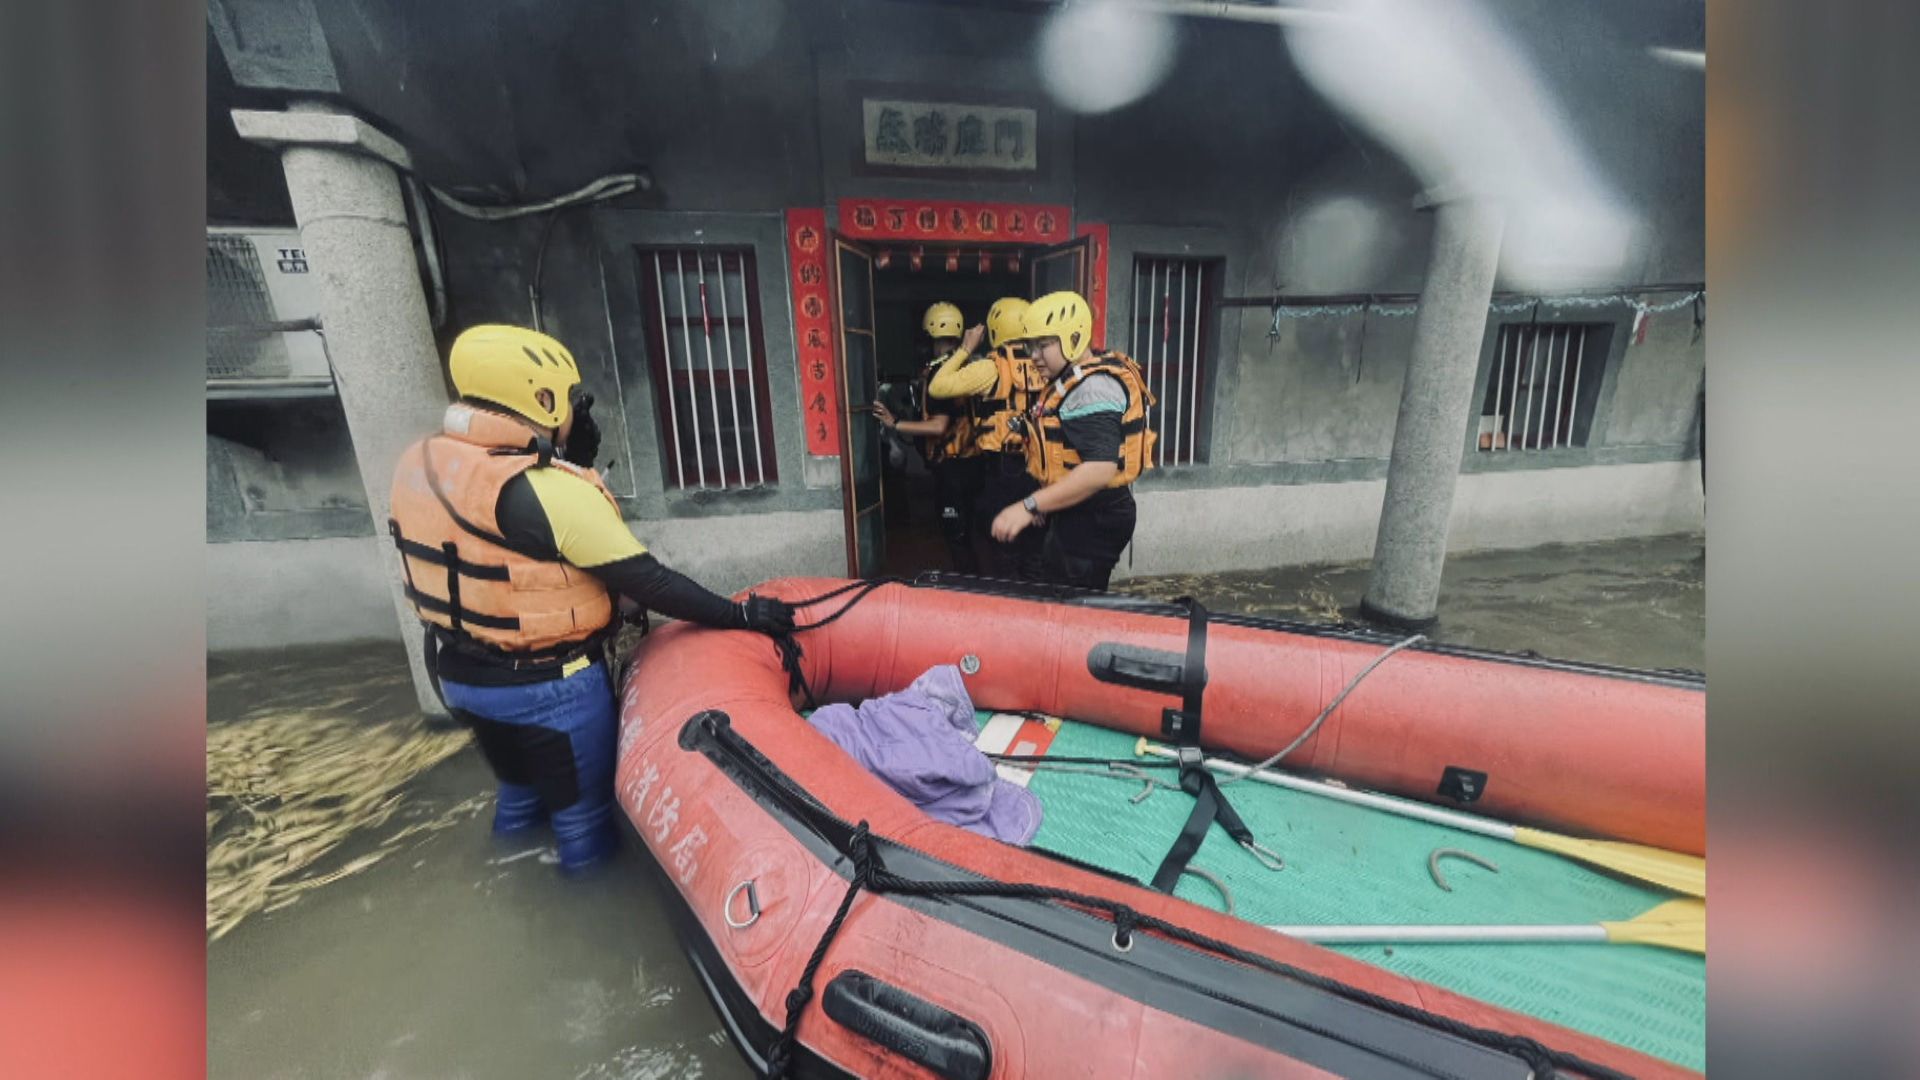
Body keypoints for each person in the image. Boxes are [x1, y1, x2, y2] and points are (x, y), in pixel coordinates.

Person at [387, 324, 795, 873]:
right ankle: (586, 930)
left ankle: (507, 883)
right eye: (572, 400)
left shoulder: (422, 462)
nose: (579, 411)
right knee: (583, 822)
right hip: (545, 691)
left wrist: (562, 460)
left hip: (458, 678)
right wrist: (741, 614)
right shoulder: (549, 491)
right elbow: (652, 583)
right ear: (541, 398)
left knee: (520, 797)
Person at [990, 291, 1157, 592]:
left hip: (1097, 515)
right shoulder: (1072, 379)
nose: (1034, 356)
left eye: (1043, 345)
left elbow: (1100, 469)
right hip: (1082, 509)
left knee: (1074, 602)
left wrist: (1028, 506)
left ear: (1074, 338)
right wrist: (1048, 500)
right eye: (1030, 346)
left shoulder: (1092, 390)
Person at [924, 296, 1049, 580]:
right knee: (1034, 551)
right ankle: (1034, 604)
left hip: (1003, 468)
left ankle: (1009, 603)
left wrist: (966, 349)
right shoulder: (1046, 364)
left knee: (1004, 550)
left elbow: (938, 386)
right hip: (1041, 465)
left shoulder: (992, 367)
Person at [867, 302, 988, 573]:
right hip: (973, 464)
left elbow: (938, 427)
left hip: (952, 469)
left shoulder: (940, 374)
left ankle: (968, 594)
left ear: (930, 335)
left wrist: (895, 423)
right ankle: (974, 587)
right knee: (968, 536)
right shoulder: (967, 367)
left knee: (957, 539)